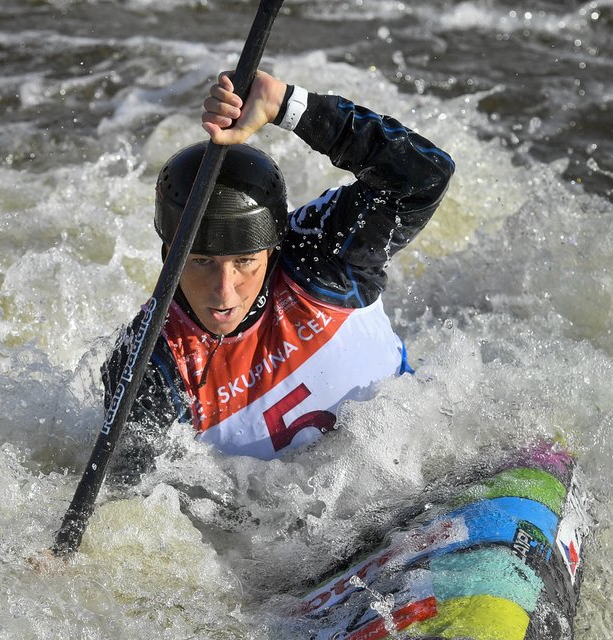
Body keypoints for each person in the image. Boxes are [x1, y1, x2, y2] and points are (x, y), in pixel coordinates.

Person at [104, 69, 455, 482]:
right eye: (200, 261)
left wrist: (288, 105)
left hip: (432, 475)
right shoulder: (150, 364)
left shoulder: (318, 255)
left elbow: (424, 176)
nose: (224, 290)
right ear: (169, 255)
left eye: (245, 262)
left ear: (272, 249)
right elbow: (132, 504)